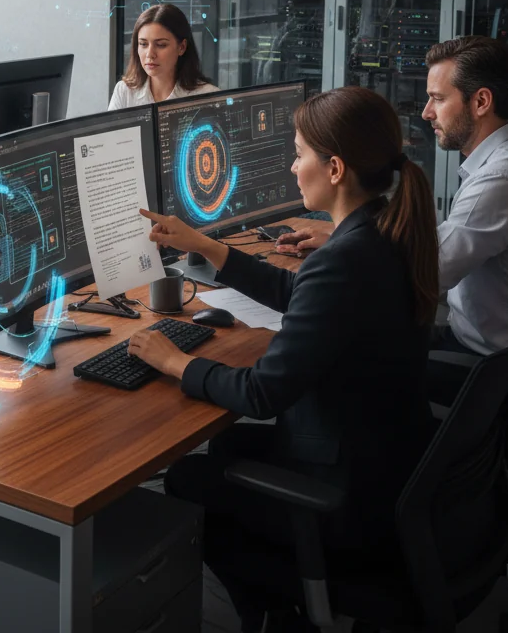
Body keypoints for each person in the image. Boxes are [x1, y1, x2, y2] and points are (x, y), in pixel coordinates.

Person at [128, 86, 438, 633]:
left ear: (335, 168)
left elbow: (261, 394)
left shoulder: (345, 259)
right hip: (386, 463)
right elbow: (302, 296)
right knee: (227, 445)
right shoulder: (384, 233)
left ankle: (275, 614)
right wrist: (206, 245)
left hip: (346, 494)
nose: (293, 168)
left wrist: (174, 361)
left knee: (186, 478)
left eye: (299, 154)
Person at [275, 37, 508, 416]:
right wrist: (343, 238)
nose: (427, 112)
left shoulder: (501, 181)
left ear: (481, 102)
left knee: (330, 364)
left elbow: (422, 274)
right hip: (495, 353)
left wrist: (346, 253)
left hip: (485, 368)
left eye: (438, 98)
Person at [109, 3, 218, 109]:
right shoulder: (124, 92)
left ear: (182, 47)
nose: (150, 54)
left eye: (161, 45)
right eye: (143, 44)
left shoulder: (209, 97)